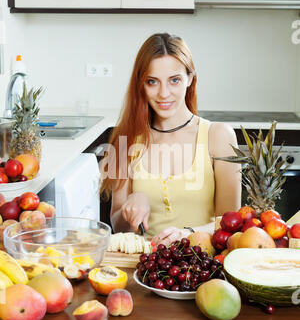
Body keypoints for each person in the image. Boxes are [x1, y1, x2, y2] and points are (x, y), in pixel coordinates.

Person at [100, 33, 241, 245]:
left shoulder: (219, 137)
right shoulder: (125, 138)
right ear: (141, 84)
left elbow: (232, 226)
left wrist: (189, 234)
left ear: (190, 79)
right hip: (147, 267)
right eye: (152, 82)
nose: (164, 93)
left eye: (174, 80)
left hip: (204, 265)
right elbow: (118, 227)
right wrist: (131, 205)